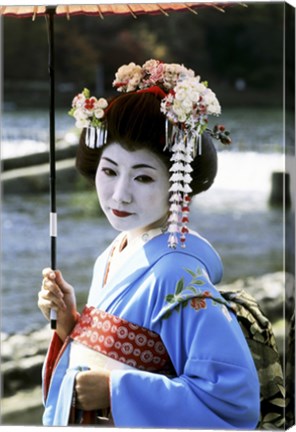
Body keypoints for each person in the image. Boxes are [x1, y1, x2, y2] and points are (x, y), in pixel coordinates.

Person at [38, 60, 260, 428]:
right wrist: (69, 325)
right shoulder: (113, 254)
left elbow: (232, 399)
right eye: (109, 171)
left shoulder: (177, 274)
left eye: (142, 177)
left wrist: (116, 390)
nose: (119, 195)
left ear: (178, 184)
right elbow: (107, 350)